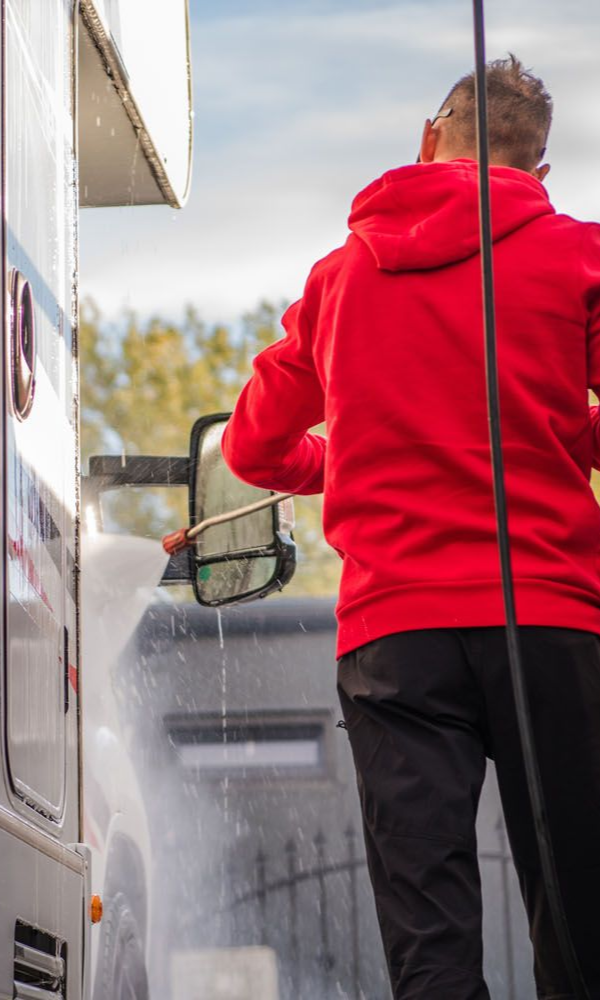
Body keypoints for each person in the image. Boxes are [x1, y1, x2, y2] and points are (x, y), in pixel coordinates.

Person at [221, 55, 600, 1000]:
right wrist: (561, 436)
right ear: (537, 174)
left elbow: (254, 447)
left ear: (429, 140)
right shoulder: (579, 257)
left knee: (428, 934)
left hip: (396, 641)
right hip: (550, 623)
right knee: (582, 909)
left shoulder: (338, 280)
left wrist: (332, 466)